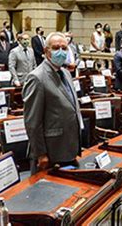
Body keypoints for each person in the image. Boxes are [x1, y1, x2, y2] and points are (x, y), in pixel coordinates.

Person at [23, 32, 83, 174]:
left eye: (64, 48)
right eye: (56, 48)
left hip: (68, 146)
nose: (61, 52)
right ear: (46, 51)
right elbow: (32, 122)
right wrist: (41, 154)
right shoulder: (37, 78)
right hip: (50, 151)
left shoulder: (66, 73)